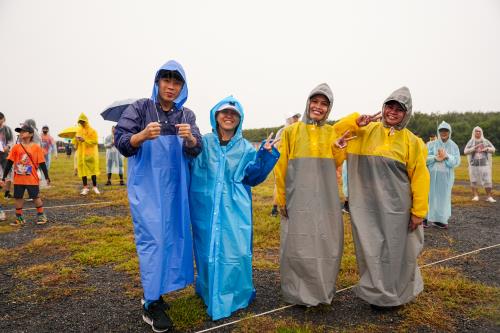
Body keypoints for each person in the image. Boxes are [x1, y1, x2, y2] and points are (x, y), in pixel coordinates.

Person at [114, 60, 202, 332]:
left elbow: (196, 149)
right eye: (167, 81)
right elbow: (121, 140)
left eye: (177, 83)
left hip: (176, 189)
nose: (171, 87)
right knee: (152, 240)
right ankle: (150, 303)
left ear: (182, 87)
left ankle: (158, 293)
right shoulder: (140, 108)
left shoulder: (186, 115)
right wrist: (141, 135)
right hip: (147, 188)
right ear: (157, 82)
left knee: (173, 238)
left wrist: (191, 140)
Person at [333, 86, 430, 309]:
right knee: (371, 247)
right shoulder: (364, 132)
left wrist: (418, 212)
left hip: (398, 208)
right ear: (383, 107)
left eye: (399, 109)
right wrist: (355, 121)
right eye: (390, 106)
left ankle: (396, 293)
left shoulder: (413, 142)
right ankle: (376, 293)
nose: (393, 112)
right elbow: (335, 133)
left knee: (398, 249)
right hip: (367, 207)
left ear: (407, 114)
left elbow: (421, 179)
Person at [190, 96, 280, 320]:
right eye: (224, 112)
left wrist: (265, 156)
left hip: (234, 210)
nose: (228, 116)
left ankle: (237, 293)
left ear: (239, 119)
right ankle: (209, 290)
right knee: (206, 249)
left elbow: (253, 176)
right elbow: (189, 165)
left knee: (236, 250)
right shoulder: (204, 142)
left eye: (234, 114)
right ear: (216, 116)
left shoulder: (246, 147)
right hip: (206, 209)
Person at [274, 83, 344, 307]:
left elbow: (338, 162)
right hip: (297, 199)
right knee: (296, 243)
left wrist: (338, 148)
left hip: (324, 200)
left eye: (324, 104)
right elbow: (281, 167)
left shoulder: (331, 132)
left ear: (329, 108)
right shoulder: (291, 132)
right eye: (315, 101)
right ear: (308, 103)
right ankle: (297, 293)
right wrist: (281, 199)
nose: (318, 107)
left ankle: (321, 290)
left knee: (323, 243)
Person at [1, 124, 50, 225]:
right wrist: (4, 177)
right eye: (20, 132)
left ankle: (41, 216)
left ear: (31, 134)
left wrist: (47, 176)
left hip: (32, 178)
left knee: (35, 197)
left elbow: (42, 163)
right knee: (18, 197)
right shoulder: (16, 147)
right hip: (18, 179)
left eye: (24, 131)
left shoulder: (36, 148)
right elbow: (9, 162)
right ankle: (19, 218)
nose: (21, 133)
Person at [425, 121, 460, 229]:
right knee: (428, 196)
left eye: (446, 130)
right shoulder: (431, 144)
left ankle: (439, 220)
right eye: (441, 131)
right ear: (438, 132)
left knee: (442, 197)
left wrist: (446, 157)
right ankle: (423, 218)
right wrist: (435, 158)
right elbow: (424, 159)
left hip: (446, 177)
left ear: (449, 132)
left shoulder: (454, 146)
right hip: (431, 175)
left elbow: (456, 162)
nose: (443, 133)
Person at [270, 112, 300, 217]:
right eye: (295, 117)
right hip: (281, 162)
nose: (297, 119)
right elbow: (278, 146)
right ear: (289, 119)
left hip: (294, 162)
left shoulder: (299, 130)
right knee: (279, 184)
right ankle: (274, 209)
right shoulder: (283, 131)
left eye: (297, 117)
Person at [464, 127, 496, 202]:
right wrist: (473, 149)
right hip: (473, 165)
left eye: (479, 131)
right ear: (473, 132)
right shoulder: (471, 142)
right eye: (476, 131)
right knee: (473, 180)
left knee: (487, 180)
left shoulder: (485, 141)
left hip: (485, 164)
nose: (478, 133)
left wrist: (487, 149)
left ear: (481, 132)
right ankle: (476, 196)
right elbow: (465, 151)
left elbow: (493, 149)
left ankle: (489, 197)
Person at [74, 113, 100, 195]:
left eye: (83, 121)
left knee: (93, 171)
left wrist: (84, 140)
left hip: (90, 154)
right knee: (82, 171)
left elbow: (95, 141)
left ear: (86, 121)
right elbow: (75, 143)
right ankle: (85, 188)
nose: (81, 123)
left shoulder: (93, 131)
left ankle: (95, 187)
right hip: (81, 154)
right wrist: (76, 140)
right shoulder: (78, 131)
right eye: (80, 122)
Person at [0, 112, 14, 205]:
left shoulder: (7, 129)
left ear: (4, 119)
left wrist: (7, 147)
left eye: (1, 118)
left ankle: (7, 192)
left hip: (5, 155)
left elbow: (11, 141)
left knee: (8, 173)